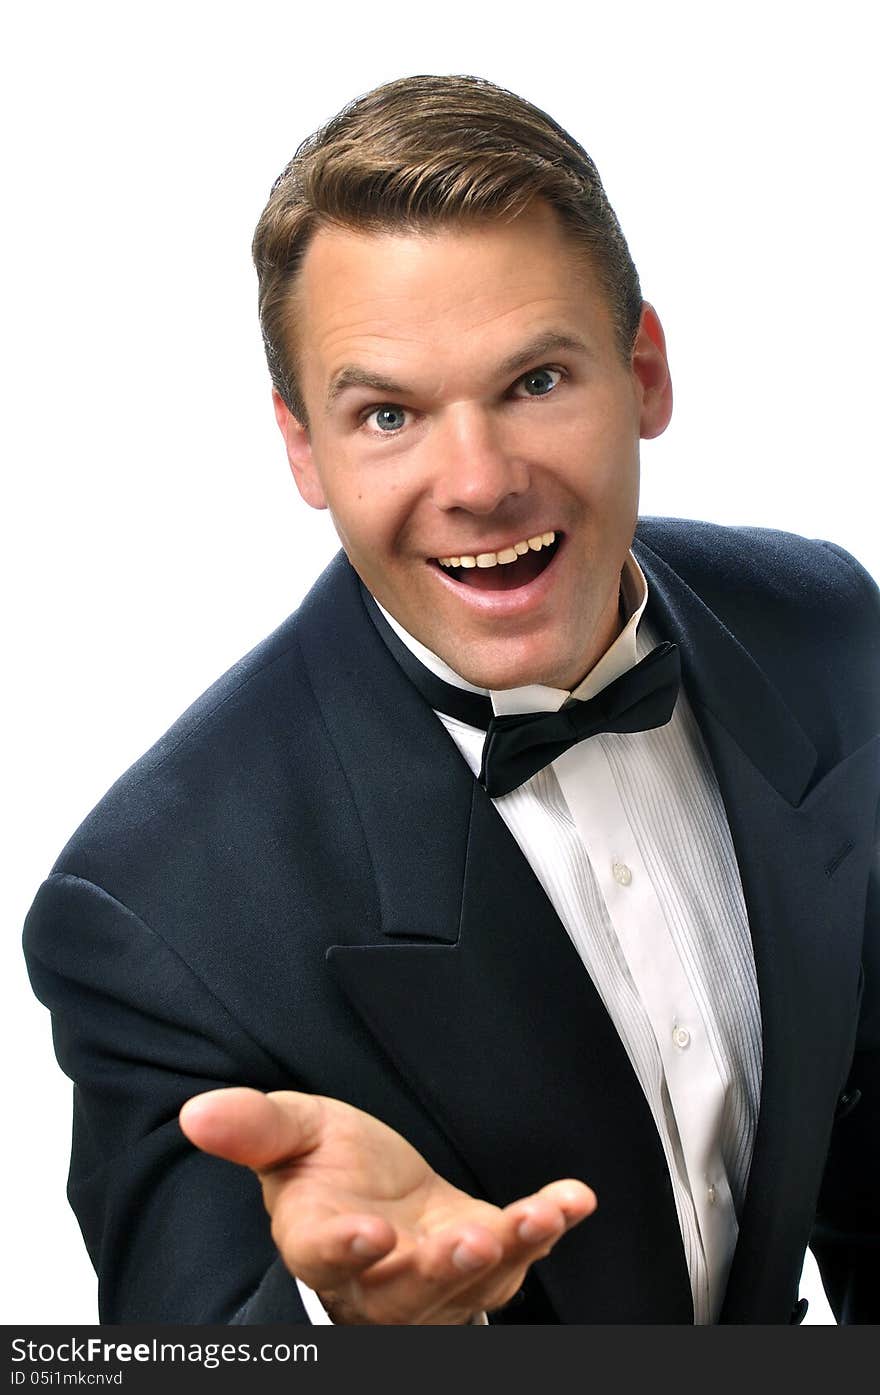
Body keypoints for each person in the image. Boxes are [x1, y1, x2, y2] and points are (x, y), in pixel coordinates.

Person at [23, 74, 879, 1327]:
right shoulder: (154, 911)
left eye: (536, 381)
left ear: (643, 370)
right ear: (302, 449)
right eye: (387, 414)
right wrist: (375, 1337)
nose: (476, 482)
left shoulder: (824, 624)